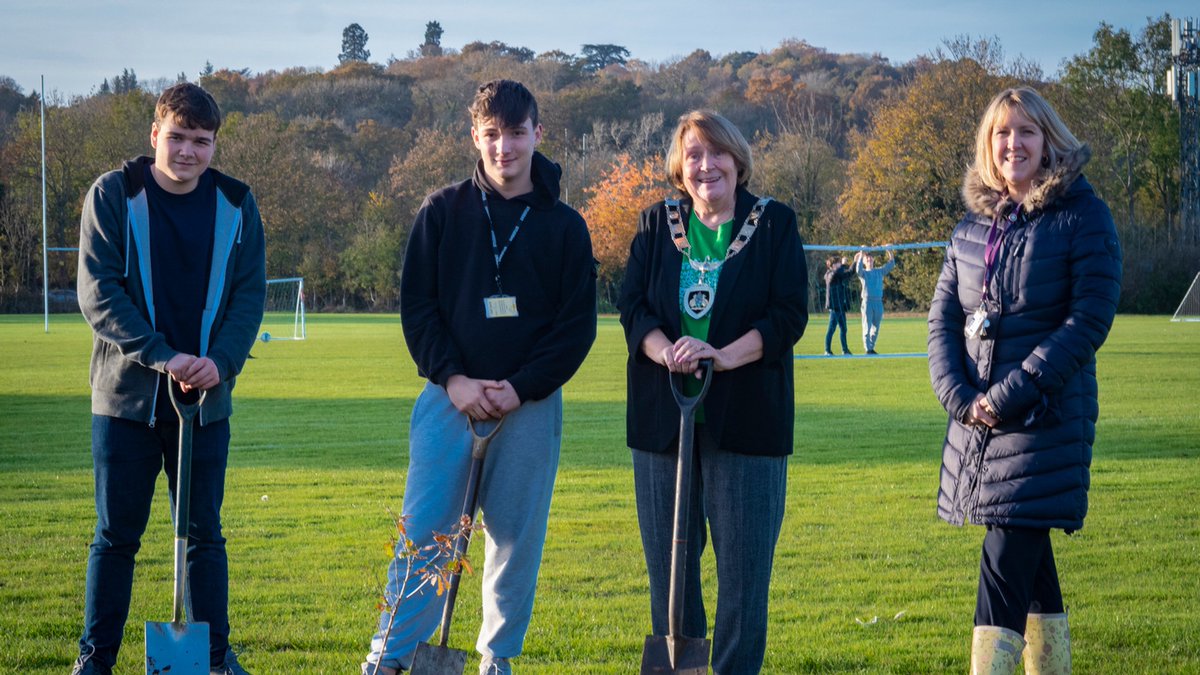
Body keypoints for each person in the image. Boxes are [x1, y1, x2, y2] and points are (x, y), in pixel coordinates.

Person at [362, 80, 597, 675]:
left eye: (516, 133)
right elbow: (418, 308)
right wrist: (454, 379)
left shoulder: (566, 227)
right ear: (475, 136)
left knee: (515, 543)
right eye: (491, 134)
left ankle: (497, 659)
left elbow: (575, 329)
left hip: (530, 406)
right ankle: (390, 659)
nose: (504, 148)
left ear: (537, 134)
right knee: (423, 534)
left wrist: (519, 388)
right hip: (449, 399)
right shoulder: (441, 211)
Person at [927, 87, 1121, 674]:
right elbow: (942, 320)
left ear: (1049, 140)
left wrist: (1006, 396)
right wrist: (963, 401)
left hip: (1044, 421)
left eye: (1026, 132)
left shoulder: (1082, 215)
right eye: (1002, 133)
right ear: (989, 145)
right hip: (980, 427)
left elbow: (1088, 319)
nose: (1014, 144)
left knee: (1005, 556)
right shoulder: (969, 228)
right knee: (1030, 567)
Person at [73, 83, 264, 675]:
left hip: (205, 404)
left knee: (205, 535)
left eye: (200, 141)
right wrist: (163, 356)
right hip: (126, 403)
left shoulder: (236, 202)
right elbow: (98, 291)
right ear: (155, 133)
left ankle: (213, 658)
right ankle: (95, 659)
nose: (187, 152)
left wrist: (221, 362)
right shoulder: (114, 193)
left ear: (214, 145)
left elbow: (248, 295)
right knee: (115, 537)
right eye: (176, 137)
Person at [618, 110, 808, 674]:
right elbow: (632, 307)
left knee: (744, 580)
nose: (706, 165)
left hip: (747, 422)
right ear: (681, 165)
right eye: (694, 154)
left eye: (716, 152)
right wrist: (666, 352)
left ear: (737, 159)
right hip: (663, 424)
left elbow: (788, 315)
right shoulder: (656, 224)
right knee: (671, 575)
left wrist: (722, 357)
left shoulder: (775, 225)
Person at [853, 246, 895, 354]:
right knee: (867, 326)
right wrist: (861, 253)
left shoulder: (879, 271)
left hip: (878, 302)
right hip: (867, 302)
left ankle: (871, 347)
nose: (869, 260)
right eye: (867, 259)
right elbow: (858, 269)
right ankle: (867, 349)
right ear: (864, 262)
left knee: (876, 328)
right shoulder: (863, 273)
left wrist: (889, 251)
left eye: (871, 259)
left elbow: (891, 264)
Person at [823, 255, 853, 356]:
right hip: (834, 308)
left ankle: (845, 350)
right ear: (832, 265)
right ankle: (827, 350)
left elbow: (849, 273)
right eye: (838, 263)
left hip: (841, 307)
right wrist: (844, 265)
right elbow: (836, 273)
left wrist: (856, 261)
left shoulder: (838, 273)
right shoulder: (829, 274)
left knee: (844, 329)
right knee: (831, 329)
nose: (840, 264)